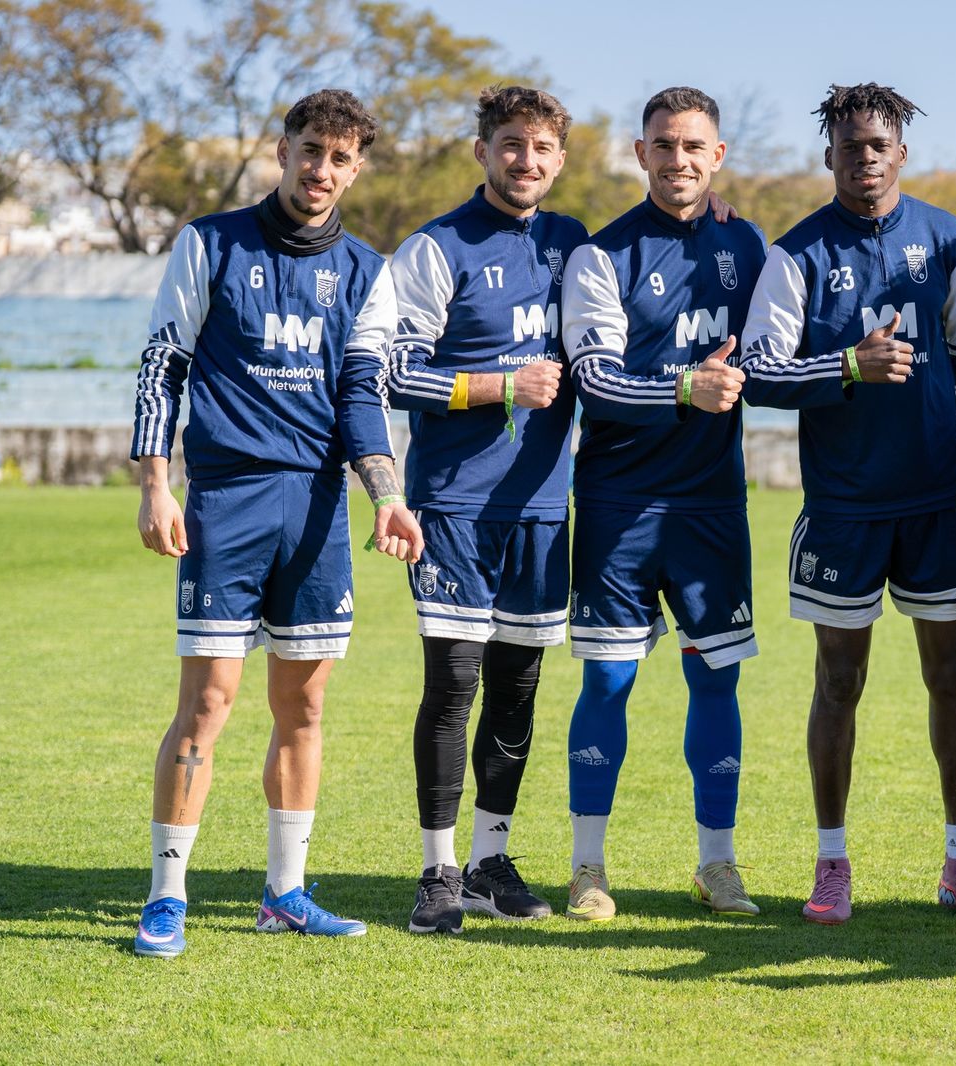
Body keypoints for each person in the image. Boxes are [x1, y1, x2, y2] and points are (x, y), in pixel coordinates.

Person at [130, 89, 423, 958]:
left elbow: (362, 394)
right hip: (226, 501)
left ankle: (284, 894)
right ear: (283, 150)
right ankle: (166, 895)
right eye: (310, 151)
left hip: (316, 509)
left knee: (304, 704)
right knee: (207, 703)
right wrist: (156, 484)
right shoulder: (210, 243)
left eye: (340, 158)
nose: (321, 170)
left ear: (356, 169)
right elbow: (163, 364)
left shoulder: (369, 272)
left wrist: (387, 495)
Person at [738, 83, 956, 925]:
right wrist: (845, 367)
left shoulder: (946, 236)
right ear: (828, 154)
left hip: (937, 502)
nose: (864, 157)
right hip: (845, 510)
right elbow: (757, 373)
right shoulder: (795, 254)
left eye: (878, 144)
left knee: (953, 675)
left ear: (902, 153)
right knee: (839, 680)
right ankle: (831, 863)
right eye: (850, 145)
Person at [558, 86, 767, 921]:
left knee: (717, 680)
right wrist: (687, 387)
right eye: (664, 145)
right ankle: (587, 867)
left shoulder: (747, 244)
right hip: (620, 501)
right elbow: (596, 383)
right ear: (640, 153)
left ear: (718, 156)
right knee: (609, 680)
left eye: (693, 146)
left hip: (711, 504)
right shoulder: (601, 255)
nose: (678, 159)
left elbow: (787, 338)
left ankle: (717, 864)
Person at [386, 86, 587, 933]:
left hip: (541, 506)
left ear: (560, 159)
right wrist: (503, 384)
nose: (525, 160)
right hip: (455, 506)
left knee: (518, 688)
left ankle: (488, 861)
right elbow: (396, 372)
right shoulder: (435, 247)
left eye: (541, 147)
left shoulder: (575, 245)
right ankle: (436, 871)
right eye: (511, 144)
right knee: (455, 683)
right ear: (482, 150)